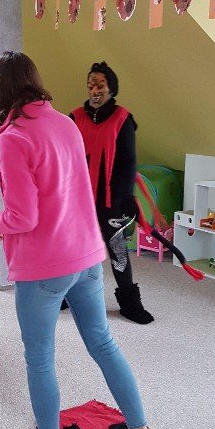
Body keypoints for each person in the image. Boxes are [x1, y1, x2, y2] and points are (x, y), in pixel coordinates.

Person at [0, 52, 159, 429]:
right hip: (85, 256)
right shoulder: (65, 122)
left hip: (45, 267)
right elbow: (57, 177)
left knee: (39, 358)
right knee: (103, 343)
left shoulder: (13, 137)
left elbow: (22, 218)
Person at [69, 61, 154, 324]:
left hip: (111, 200)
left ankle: (129, 304)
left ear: (111, 88)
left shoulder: (122, 118)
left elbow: (128, 162)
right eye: (90, 84)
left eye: (100, 85)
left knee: (118, 251)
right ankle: (66, 294)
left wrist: (126, 198)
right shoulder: (74, 117)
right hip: (78, 200)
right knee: (73, 249)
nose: (94, 90)